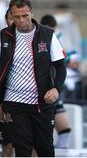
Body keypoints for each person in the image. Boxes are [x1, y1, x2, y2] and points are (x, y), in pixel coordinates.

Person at [0, 0, 66, 157]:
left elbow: (60, 67)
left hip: (42, 103)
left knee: (45, 148)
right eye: (17, 17)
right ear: (11, 16)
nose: (21, 20)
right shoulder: (4, 36)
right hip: (14, 103)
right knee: (22, 148)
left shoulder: (48, 34)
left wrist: (56, 89)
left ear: (32, 13)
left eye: (25, 16)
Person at [40, 14, 71, 149]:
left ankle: (59, 151)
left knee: (64, 130)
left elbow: (61, 67)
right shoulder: (38, 41)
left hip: (53, 91)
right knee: (41, 134)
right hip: (40, 93)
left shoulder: (55, 41)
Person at [0, 8, 14, 157]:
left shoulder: (35, 40)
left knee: (30, 143)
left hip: (27, 103)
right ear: (6, 20)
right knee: (7, 145)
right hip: (5, 101)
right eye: (13, 18)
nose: (18, 21)